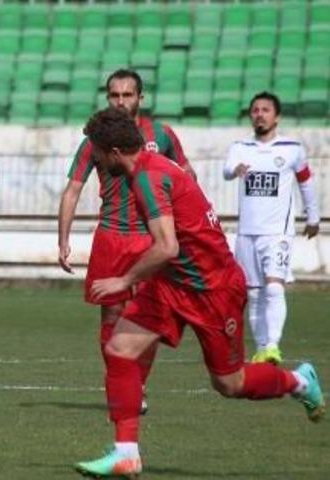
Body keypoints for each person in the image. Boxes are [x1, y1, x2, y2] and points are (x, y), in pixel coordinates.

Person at [74, 108, 324, 478]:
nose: (93, 158)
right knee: (120, 349)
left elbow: (166, 247)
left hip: (213, 289)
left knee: (230, 383)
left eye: (95, 151)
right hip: (174, 284)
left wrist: (123, 281)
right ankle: (127, 453)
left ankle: (300, 381)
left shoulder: (146, 177)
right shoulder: (148, 166)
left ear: (112, 151)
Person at [58, 69, 195, 414]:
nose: (121, 101)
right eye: (114, 95)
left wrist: (187, 222)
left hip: (151, 240)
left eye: (127, 95)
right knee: (112, 316)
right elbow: (73, 189)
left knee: (148, 317)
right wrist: (63, 240)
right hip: (111, 238)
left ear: (140, 98)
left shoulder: (161, 135)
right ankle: (120, 382)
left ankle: (138, 386)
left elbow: (187, 175)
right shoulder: (94, 141)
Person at [224, 91, 320, 365]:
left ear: (276, 116)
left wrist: (312, 217)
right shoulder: (240, 147)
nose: (259, 114)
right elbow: (227, 170)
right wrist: (236, 169)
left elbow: (306, 184)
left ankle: (273, 346)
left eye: (265, 110)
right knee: (254, 293)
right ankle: (262, 349)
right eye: (255, 110)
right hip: (247, 233)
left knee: (274, 287)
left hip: (278, 233)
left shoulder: (292, 148)